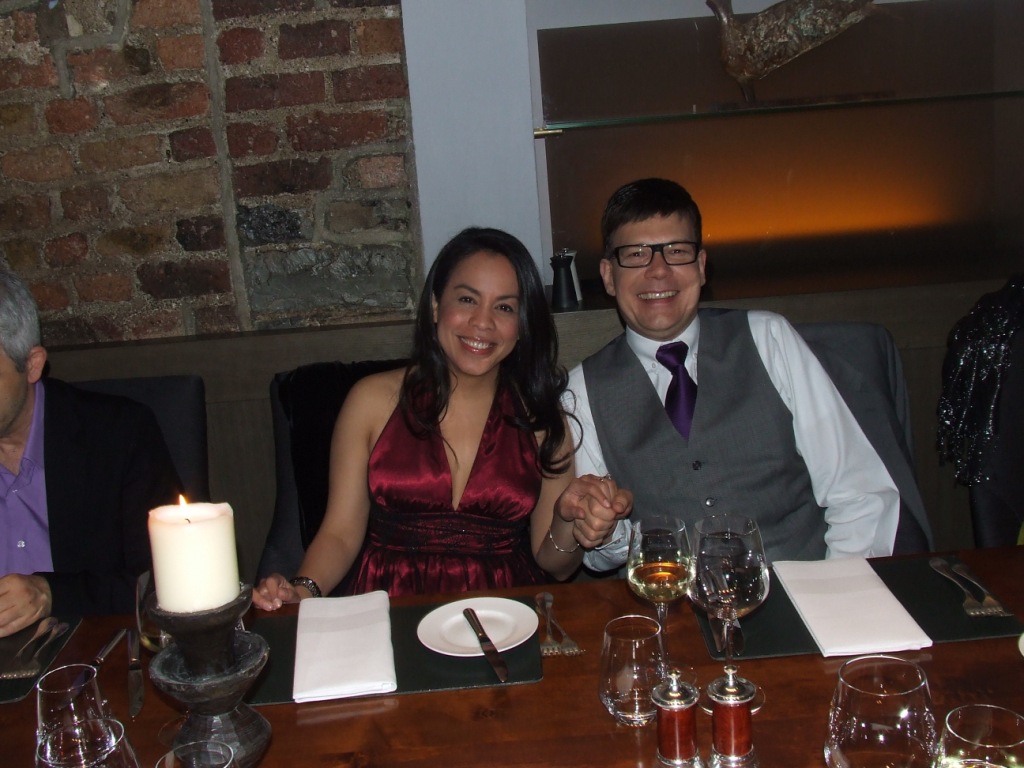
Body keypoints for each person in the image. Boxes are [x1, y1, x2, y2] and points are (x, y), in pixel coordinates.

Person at [562, 178, 911, 569]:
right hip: (676, 598)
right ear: (609, 276)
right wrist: (604, 528)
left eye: (677, 251)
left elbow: (860, 493)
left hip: (802, 587)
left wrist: (834, 591)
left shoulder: (769, 338)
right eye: (637, 254)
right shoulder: (580, 391)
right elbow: (603, 556)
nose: (658, 271)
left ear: (701, 267)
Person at [254, 227, 612, 608]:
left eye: (505, 307)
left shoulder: (542, 420)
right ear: (436, 306)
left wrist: (570, 521)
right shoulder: (370, 401)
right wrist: (302, 591)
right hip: (390, 609)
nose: (483, 322)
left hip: (503, 614)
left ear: (523, 325)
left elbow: (556, 566)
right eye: (467, 299)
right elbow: (339, 534)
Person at [0, 268, 182, 637]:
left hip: (93, 650)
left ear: (32, 365)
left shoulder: (118, 434)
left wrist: (51, 593)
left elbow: (165, 580)